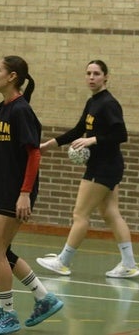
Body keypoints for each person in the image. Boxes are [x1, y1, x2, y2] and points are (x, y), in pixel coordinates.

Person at [0, 56, 63, 335]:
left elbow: (34, 153)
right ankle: (44, 298)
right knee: (4, 251)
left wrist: (25, 193)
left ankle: (8, 314)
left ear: (12, 76)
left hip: (16, 191)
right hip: (4, 187)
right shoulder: (2, 109)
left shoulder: (21, 111)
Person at [36, 60, 139, 278]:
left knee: (80, 214)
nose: (91, 77)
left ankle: (63, 261)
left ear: (105, 77)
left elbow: (121, 135)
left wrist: (93, 140)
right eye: (88, 73)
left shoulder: (109, 103)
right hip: (106, 166)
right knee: (110, 213)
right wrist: (50, 144)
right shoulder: (93, 102)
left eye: (96, 73)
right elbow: (78, 130)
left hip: (104, 167)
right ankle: (129, 264)